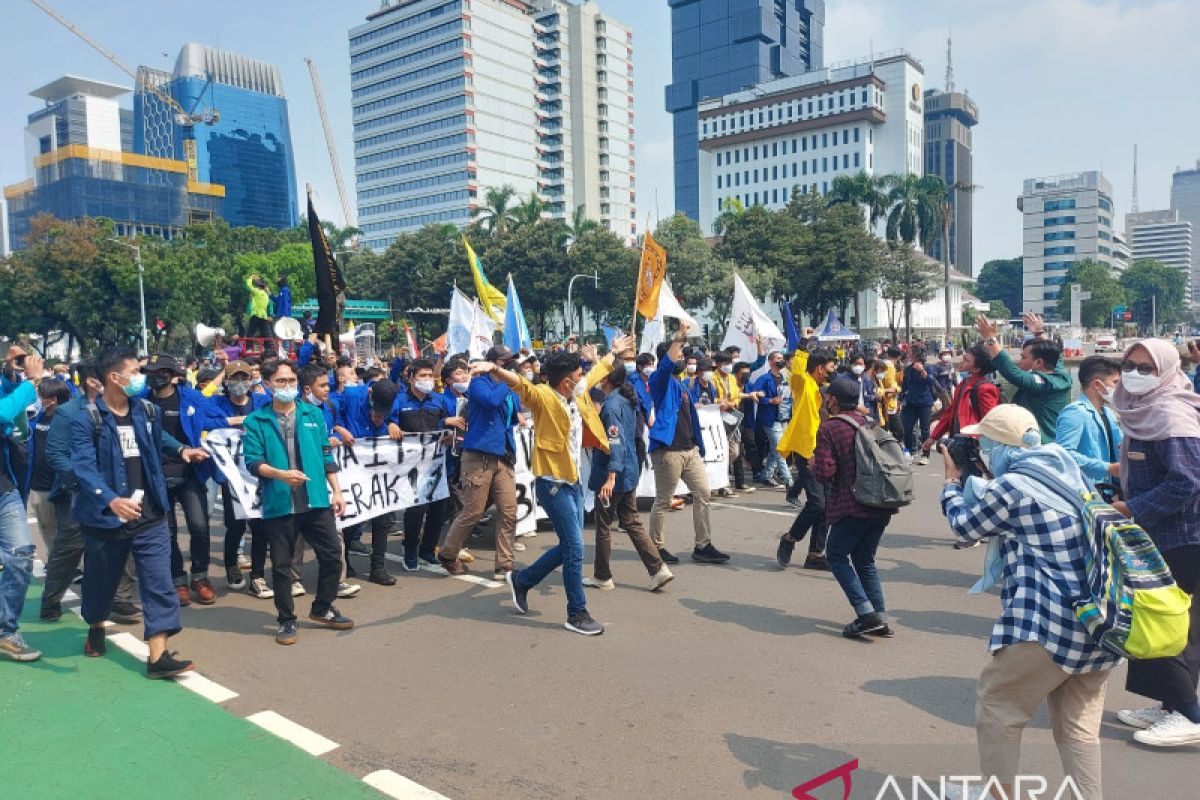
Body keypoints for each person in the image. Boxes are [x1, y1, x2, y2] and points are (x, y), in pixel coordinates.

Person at [940, 404, 1120, 800]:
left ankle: (997, 795)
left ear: (1000, 444)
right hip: (1100, 624)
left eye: (984, 441)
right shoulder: (1065, 471)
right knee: (1078, 726)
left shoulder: (1014, 486)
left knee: (998, 704)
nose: (982, 449)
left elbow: (965, 527)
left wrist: (952, 482)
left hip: (1050, 625)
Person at [471, 335, 636, 636]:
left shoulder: (577, 391)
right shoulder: (546, 397)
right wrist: (494, 370)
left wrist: (614, 352)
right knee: (575, 549)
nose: (583, 379)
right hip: (552, 486)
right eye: (577, 376)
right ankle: (577, 613)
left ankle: (522, 581)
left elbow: (598, 371)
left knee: (568, 547)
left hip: (572, 483)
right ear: (565, 383)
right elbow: (523, 387)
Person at [71, 347, 206, 677]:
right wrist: (110, 499)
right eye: (135, 371)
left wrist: (182, 449)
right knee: (102, 583)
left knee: (159, 583)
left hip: (150, 515)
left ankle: (157, 656)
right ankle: (96, 626)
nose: (141, 378)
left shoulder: (146, 410)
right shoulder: (86, 418)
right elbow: (83, 467)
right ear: (114, 378)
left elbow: (156, 437)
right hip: (107, 520)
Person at [1109, 340, 1200, 747]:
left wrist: (1133, 509)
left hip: (1182, 536)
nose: (1134, 373)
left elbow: (1187, 480)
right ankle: (1171, 704)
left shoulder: (1169, 412)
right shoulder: (1141, 408)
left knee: (1158, 621)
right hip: (1163, 533)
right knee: (1179, 625)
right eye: (1129, 364)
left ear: (1165, 370)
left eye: (1146, 368)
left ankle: (1187, 712)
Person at [242, 359, 354, 646]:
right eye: (280, 382)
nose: (287, 386)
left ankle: (322, 607)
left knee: (332, 554)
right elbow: (253, 463)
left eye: (291, 381)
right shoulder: (256, 420)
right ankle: (286, 620)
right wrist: (280, 475)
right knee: (281, 566)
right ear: (267, 384)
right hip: (280, 503)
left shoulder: (313, 414)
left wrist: (337, 491)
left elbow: (326, 456)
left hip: (316, 500)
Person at [813, 378, 896, 637]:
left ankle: (866, 613)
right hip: (881, 504)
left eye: (828, 397)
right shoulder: (869, 423)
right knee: (865, 560)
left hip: (851, 505)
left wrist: (813, 464)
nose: (826, 400)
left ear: (833, 400)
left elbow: (826, 472)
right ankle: (879, 616)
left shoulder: (830, 428)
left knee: (836, 556)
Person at [143, 353, 228, 606]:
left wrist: (233, 424)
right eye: (150, 373)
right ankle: (178, 580)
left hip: (191, 471)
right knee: (167, 532)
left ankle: (200, 577)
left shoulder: (189, 397)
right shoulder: (141, 402)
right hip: (157, 474)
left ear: (173, 375)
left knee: (199, 526)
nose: (155, 377)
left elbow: (215, 417)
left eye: (161, 373)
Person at [585, 362, 674, 592]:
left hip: (613, 473)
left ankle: (603, 576)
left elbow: (616, 443)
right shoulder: (624, 400)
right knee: (632, 521)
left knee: (604, 524)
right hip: (628, 470)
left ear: (606, 379)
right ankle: (658, 569)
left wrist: (611, 476)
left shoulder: (612, 406)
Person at [647, 327, 730, 566]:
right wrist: (679, 336)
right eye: (681, 356)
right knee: (664, 500)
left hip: (690, 450)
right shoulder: (660, 381)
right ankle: (656, 548)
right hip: (668, 451)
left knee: (703, 492)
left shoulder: (682, 385)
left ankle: (703, 545)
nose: (685, 360)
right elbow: (665, 367)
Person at [439, 346, 520, 581]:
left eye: (511, 362)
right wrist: (509, 381)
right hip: (479, 456)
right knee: (473, 511)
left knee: (509, 511)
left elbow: (513, 414)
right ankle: (448, 553)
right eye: (505, 362)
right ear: (492, 363)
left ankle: (504, 565)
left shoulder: (509, 386)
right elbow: (492, 401)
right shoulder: (478, 383)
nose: (510, 366)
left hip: (503, 456)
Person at [209, 360, 273, 594]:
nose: (239, 383)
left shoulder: (262, 401)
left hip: (259, 472)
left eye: (244, 378)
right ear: (226, 381)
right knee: (235, 525)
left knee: (260, 526)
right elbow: (200, 419)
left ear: (251, 380)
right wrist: (231, 421)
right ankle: (231, 566)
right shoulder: (217, 403)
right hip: (231, 475)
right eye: (234, 378)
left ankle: (258, 575)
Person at [394, 359, 463, 571]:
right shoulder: (400, 400)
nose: (427, 380)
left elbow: (451, 425)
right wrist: (391, 426)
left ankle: (428, 549)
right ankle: (410, 551)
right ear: (411, 377)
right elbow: (389, 422)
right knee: (416, 508)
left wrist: (448, 433)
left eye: (429, 376)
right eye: (422, 376)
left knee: (438, 508)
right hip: (410, 464)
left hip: (437, 463)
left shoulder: (439, 401)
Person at [0, 346, 45, 662]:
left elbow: (9, 407)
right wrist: (31, 382)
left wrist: (10, 374)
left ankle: (5, 631)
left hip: (4, 489)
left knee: (20, 555)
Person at [336, 378, 404, 585]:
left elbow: (397, 424)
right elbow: (328, 415)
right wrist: (338, 430)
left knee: (382, 520)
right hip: (351, 468)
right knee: (351, 518)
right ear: (370, 392)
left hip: (379, 470)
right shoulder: (350, 396)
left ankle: (378, 567)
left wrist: (390, 423)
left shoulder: (394, 403)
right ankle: (345, 560)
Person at [776, 348, 838, 571]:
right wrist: (802, 344)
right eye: (831, 366)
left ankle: (815, 554)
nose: (834, 370)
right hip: (808, 453)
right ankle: (790, 538)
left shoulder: (825, 391)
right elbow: (798, 372)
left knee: (828, 506)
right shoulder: (804, 384)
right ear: (820, 368)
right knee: (817, 503)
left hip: (828, 453)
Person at [975, 314, 1071, 442]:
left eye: (1024, 357)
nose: (1020, 362)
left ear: (1038, 363)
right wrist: (1038, 332)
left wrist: (991, 339)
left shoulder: (1042, 383)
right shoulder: (1059, 373)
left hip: (1039, 447)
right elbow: (1054, 354)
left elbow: (1012, 373)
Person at [1054, 356, 1122, 494]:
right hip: (1087, 492)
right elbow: (1064, 455)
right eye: (1116, 382)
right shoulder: (1075, 413)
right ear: (1097, 384)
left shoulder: (1108, 412)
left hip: (1111, 490)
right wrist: (1107, 468)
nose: (1120, 388)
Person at [923, 342, 1001, 452]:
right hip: (959, 441)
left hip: (974, 446)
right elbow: (950, 412)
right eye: (963, 358)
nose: (961, 361)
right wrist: (934, 437)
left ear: (976, 369)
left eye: (966, 360)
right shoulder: (963, 384)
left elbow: (992, 421)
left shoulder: (984, 388)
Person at [751, 352, 792, 490]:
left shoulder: (785, 378)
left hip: (784, 417)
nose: (781, 361)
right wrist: (769, 400)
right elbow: (755, 395)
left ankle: (767, 475)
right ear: (770, 361)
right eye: (778, 358)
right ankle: (790, 482)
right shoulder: (764, 379)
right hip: (770, 419)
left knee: (777, 449)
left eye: (782, 358)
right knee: (780, 451)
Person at [898, 346, 936, 464]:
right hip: (910, 403)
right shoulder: (908, 369)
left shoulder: (928, 367)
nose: (908, 355)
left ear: (916, 355)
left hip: (925, 403)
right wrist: (900, 400)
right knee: (907, 429)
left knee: (925, 430)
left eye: (910, 353)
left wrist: (922, 371)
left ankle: (925, 455)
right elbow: (904, 386)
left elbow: (932, 382)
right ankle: (908, 452)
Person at [246, 275, 273, 339]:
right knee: (265, 333)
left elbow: (249, 286)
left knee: (250, 331)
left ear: (258, 287)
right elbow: (270, 304)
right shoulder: (266, 295)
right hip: (263, 315)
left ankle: (249, 347)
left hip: (256, 314)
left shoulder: (257, 292)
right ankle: (269, 347)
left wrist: (251, 278)